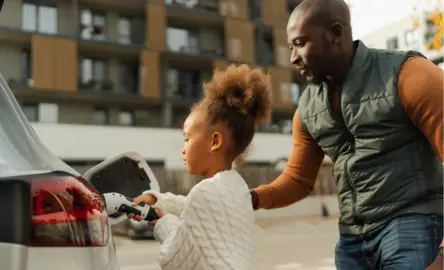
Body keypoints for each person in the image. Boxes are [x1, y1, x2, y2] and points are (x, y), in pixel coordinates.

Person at [249, 0, 444, 269]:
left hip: (412, 224)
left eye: (301, 43)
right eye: (291, 46)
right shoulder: (307, 109)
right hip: (352, 241)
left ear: (336, 34)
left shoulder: (408, 75)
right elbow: (298, 180)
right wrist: (252, 198)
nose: (293, 57)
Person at [129, 64, 271, 270]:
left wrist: (163, 224)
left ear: (215, 142)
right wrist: (158, 200)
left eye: (187, 139)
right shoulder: (236, 188)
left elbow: (174, 258)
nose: (183, 149)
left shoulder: (204, 192)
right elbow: (193, 207)